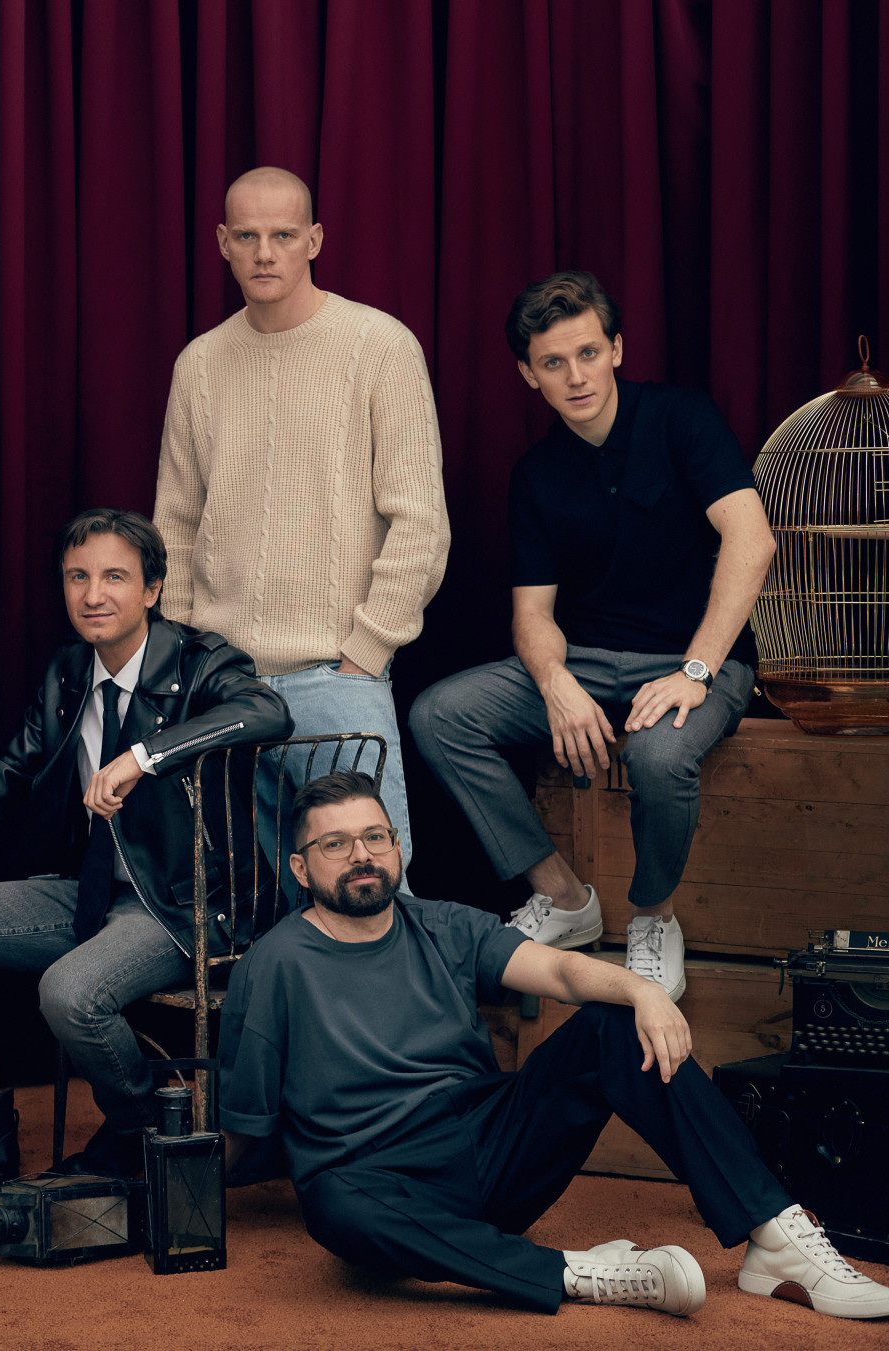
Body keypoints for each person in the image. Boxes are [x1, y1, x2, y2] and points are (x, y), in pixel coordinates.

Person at [216, 770, 889, 1321]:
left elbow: (562, 972)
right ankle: (582, 1272)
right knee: (331, 1202)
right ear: (300, 867)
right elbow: (246, 1124)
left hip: (492, 1143)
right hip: (382, 1181)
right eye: (336, 844)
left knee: (613, 1022)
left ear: (397, 846)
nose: (362, 855)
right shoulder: (274, 965)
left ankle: (774, 1235)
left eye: (374, 836)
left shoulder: (445, 925)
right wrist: (189, 1192)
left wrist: (643, 990)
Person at [409, 272, 775, 1001]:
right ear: (529, 374)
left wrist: (696, 670)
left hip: (698, 660)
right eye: (553, 362)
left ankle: (653, 917)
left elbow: (752, 539)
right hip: (587, 661)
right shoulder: (536, 474)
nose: (575, 376)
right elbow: (532, 616)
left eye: (587, 353)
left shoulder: (681, 417)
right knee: (439, 715)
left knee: (658, 754)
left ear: (616, 349)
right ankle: (565, 898)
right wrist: (556, 684)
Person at [0, 508, 290, 1180]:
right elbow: (4, 775)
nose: (93, 594)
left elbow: (267, 711)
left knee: (69, 993)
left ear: (152, 589)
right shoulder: (68, 671)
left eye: (115, 576)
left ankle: (142, 1133)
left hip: (184, 904)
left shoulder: (202, 661)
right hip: (89, 890)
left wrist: (144, 755)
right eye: (77, 576)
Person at [152, 166, 448, 882]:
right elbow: (176, 527)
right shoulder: (199, 364)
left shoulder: (379, 345)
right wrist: (186, 667)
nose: (265, 253)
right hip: (223, 687)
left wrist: (364, 655)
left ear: (314, 240)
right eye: (247, 236)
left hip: (336, 678)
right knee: (260, 907)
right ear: (222, 242)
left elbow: (420, 521)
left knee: (373, 894)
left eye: (284, 235)